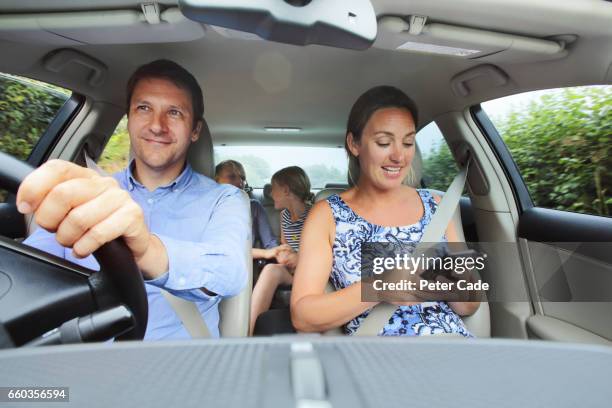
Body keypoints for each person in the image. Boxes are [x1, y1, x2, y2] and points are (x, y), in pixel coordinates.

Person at [17, 59, 250, 340]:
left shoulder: (224, 199)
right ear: (129, 118)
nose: (157, 125)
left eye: (174, 113)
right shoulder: (89, 194)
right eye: (144, 108)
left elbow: (230, 271)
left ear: (195, 131)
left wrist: (146, 251)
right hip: (80, 361)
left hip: (178, 371)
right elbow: (26, 274)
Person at [290, 86, 480, 336]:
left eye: (408, 142)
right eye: (383, 142)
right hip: (380, 361)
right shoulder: (326, 215)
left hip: (454, 348)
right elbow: (302, 316)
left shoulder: (438, 206)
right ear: (354, 144)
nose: (399, 156)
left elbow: (470, 303)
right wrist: (379, 287)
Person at [249, 166, 313, 335]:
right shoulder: (284, 215)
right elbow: (285, 244)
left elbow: (317, 253)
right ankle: (247, 335)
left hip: (310, 272)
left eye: (273, 189)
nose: (270, 194)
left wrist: (299, 258)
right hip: (290, 270)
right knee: (270, 270)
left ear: (286, 191)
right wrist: (283, 254)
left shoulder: (314, 214)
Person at [214, 159, 280, 253]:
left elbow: (269, 242)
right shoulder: (209, 207)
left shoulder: (253, 206)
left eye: (242, 178)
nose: (240, 182)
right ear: (216, 180)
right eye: (232, 177)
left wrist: (279, 253)